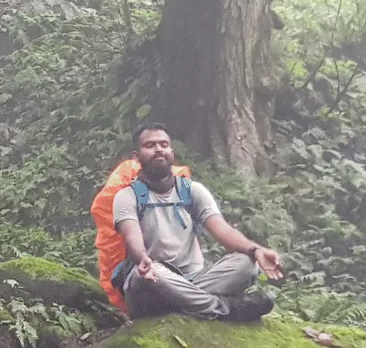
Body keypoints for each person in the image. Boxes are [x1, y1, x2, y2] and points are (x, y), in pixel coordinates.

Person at [114, 123, 286, 322]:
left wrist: (256, 250)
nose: (158, 149)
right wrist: (142, 257)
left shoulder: (192, 191)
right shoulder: (127, 196)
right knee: (148, 274)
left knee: (247, 264)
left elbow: (221, 229)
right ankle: (226, 309)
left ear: (171, 151)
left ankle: (183, 302)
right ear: (136, 156)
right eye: (150, 145)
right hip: (150, 281)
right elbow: (131, 234)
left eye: (163, 144)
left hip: (194, 279)